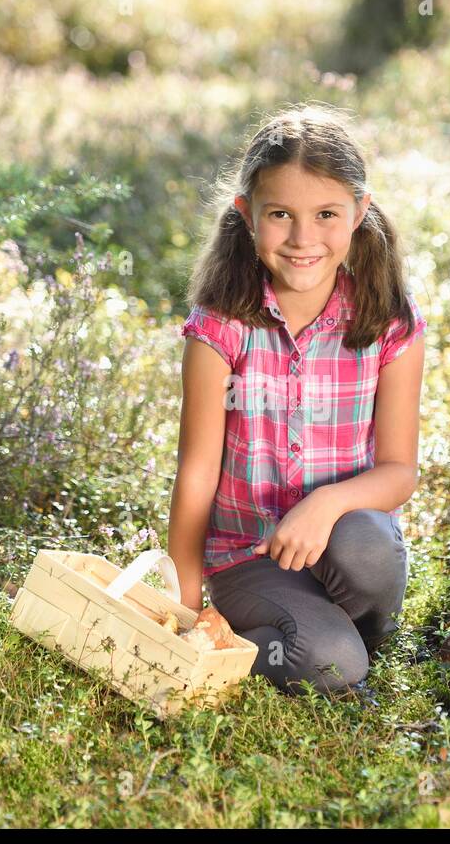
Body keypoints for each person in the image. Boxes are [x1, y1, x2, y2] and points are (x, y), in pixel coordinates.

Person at [167, 102, 428, 697]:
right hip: (248, 557)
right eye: (280, 214)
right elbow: (197, 473)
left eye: (327, 214)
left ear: (359, 212)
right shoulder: (220, 327)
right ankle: (266, 640)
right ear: (247, 216)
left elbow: (399, 471)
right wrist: (183, 607)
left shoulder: (389, 322)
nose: (303, 238)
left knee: (366, 539)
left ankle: (359, 640)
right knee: (330, 660)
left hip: (344, 546)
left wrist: (325, 504)